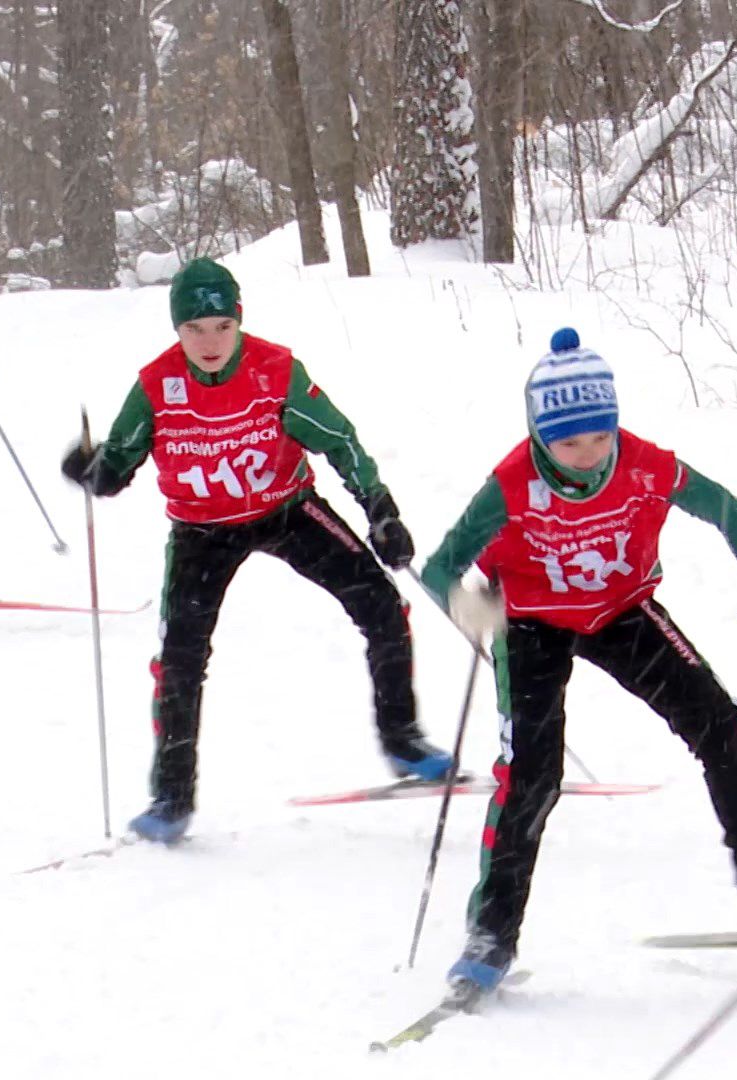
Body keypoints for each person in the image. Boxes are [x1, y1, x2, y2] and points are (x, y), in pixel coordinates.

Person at [422, 328, 737, 994]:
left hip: (623, 611)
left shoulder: (643, 465)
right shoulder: (512, 482)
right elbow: (442, 565)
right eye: (568, 442)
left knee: (721, 728)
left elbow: (726, 509)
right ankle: (491, 933)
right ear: (538, 434)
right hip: (530, 624)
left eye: (600, 436)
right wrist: (462, 603)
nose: (587, 456)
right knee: (532, 777)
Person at [60, 257, 452, 843]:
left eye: (221, 326)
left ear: (239, 322)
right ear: (177, 331)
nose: (210, 341)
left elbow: (339, 438)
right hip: (201, 531)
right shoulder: (155, 386)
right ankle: (171, 797)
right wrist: (94, 472)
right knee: (180, 658)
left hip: (287, 509)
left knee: (382, 606)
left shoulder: (275, 370)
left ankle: (403, 740)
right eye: (194, 329)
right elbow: (118, 463)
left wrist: (380, 507)